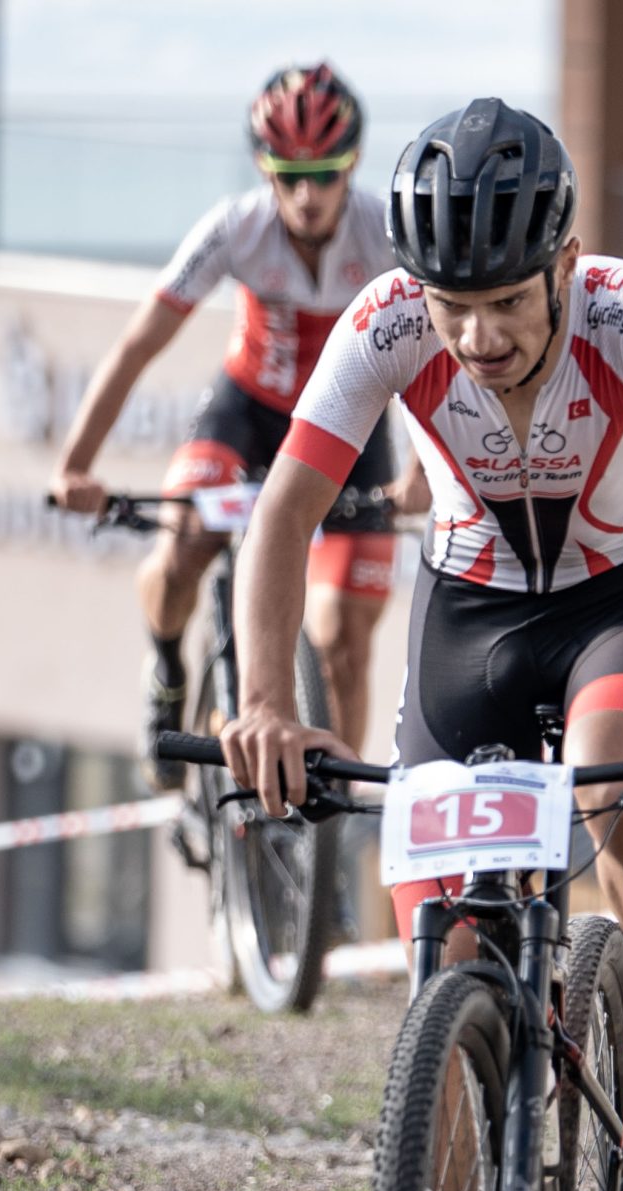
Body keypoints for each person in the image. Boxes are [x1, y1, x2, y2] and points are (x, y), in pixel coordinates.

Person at [221, 98, 623, 1187]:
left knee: (616, 765)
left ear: (565, 264)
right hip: (466, 622)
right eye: (453, 308)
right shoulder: (384, 323)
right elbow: (283, 514)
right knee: (442, 963)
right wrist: (262, 702)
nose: (478, 339)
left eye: (510, 304)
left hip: (621, 602)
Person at [50, 63, 413, 782]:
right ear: (262, 168)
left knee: (345, 640)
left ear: (355, 165)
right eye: (288, 176)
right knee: (184, 543)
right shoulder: (235, 229)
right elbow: (139, 344)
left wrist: (422, 475)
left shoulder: (386, 232)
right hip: (246, 412)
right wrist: (75, 463)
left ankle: (327, 825)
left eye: (327, 175)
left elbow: (442, 350)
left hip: (347, 428)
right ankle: (167, 666)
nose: (307, 196)